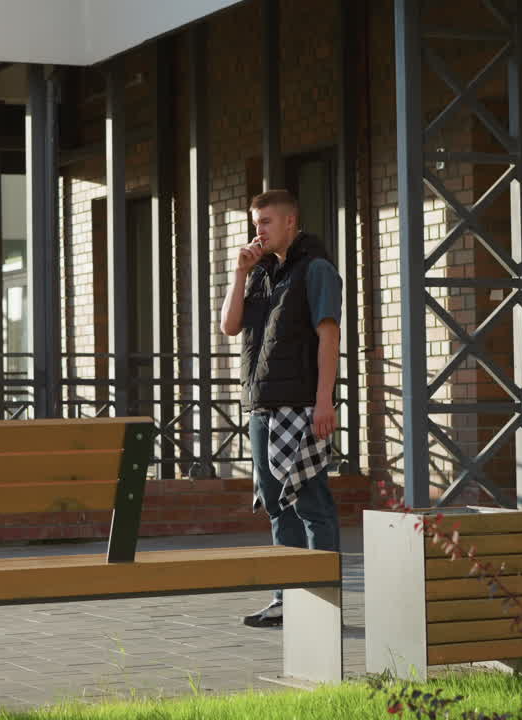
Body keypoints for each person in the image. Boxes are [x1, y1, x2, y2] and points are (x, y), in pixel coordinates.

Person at [220, 189, 343, 628]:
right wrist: (239, 273)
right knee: (277, 507)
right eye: (256, 223)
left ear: (291, 222)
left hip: (302, 406)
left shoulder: (317, 269)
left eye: (266, 222)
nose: (259, 230)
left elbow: (329, 336)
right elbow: (230, 326)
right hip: (261, 407)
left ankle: (324, 604)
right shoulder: (259, 273)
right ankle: (285, 601)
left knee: (312, 504)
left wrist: (324, 401)